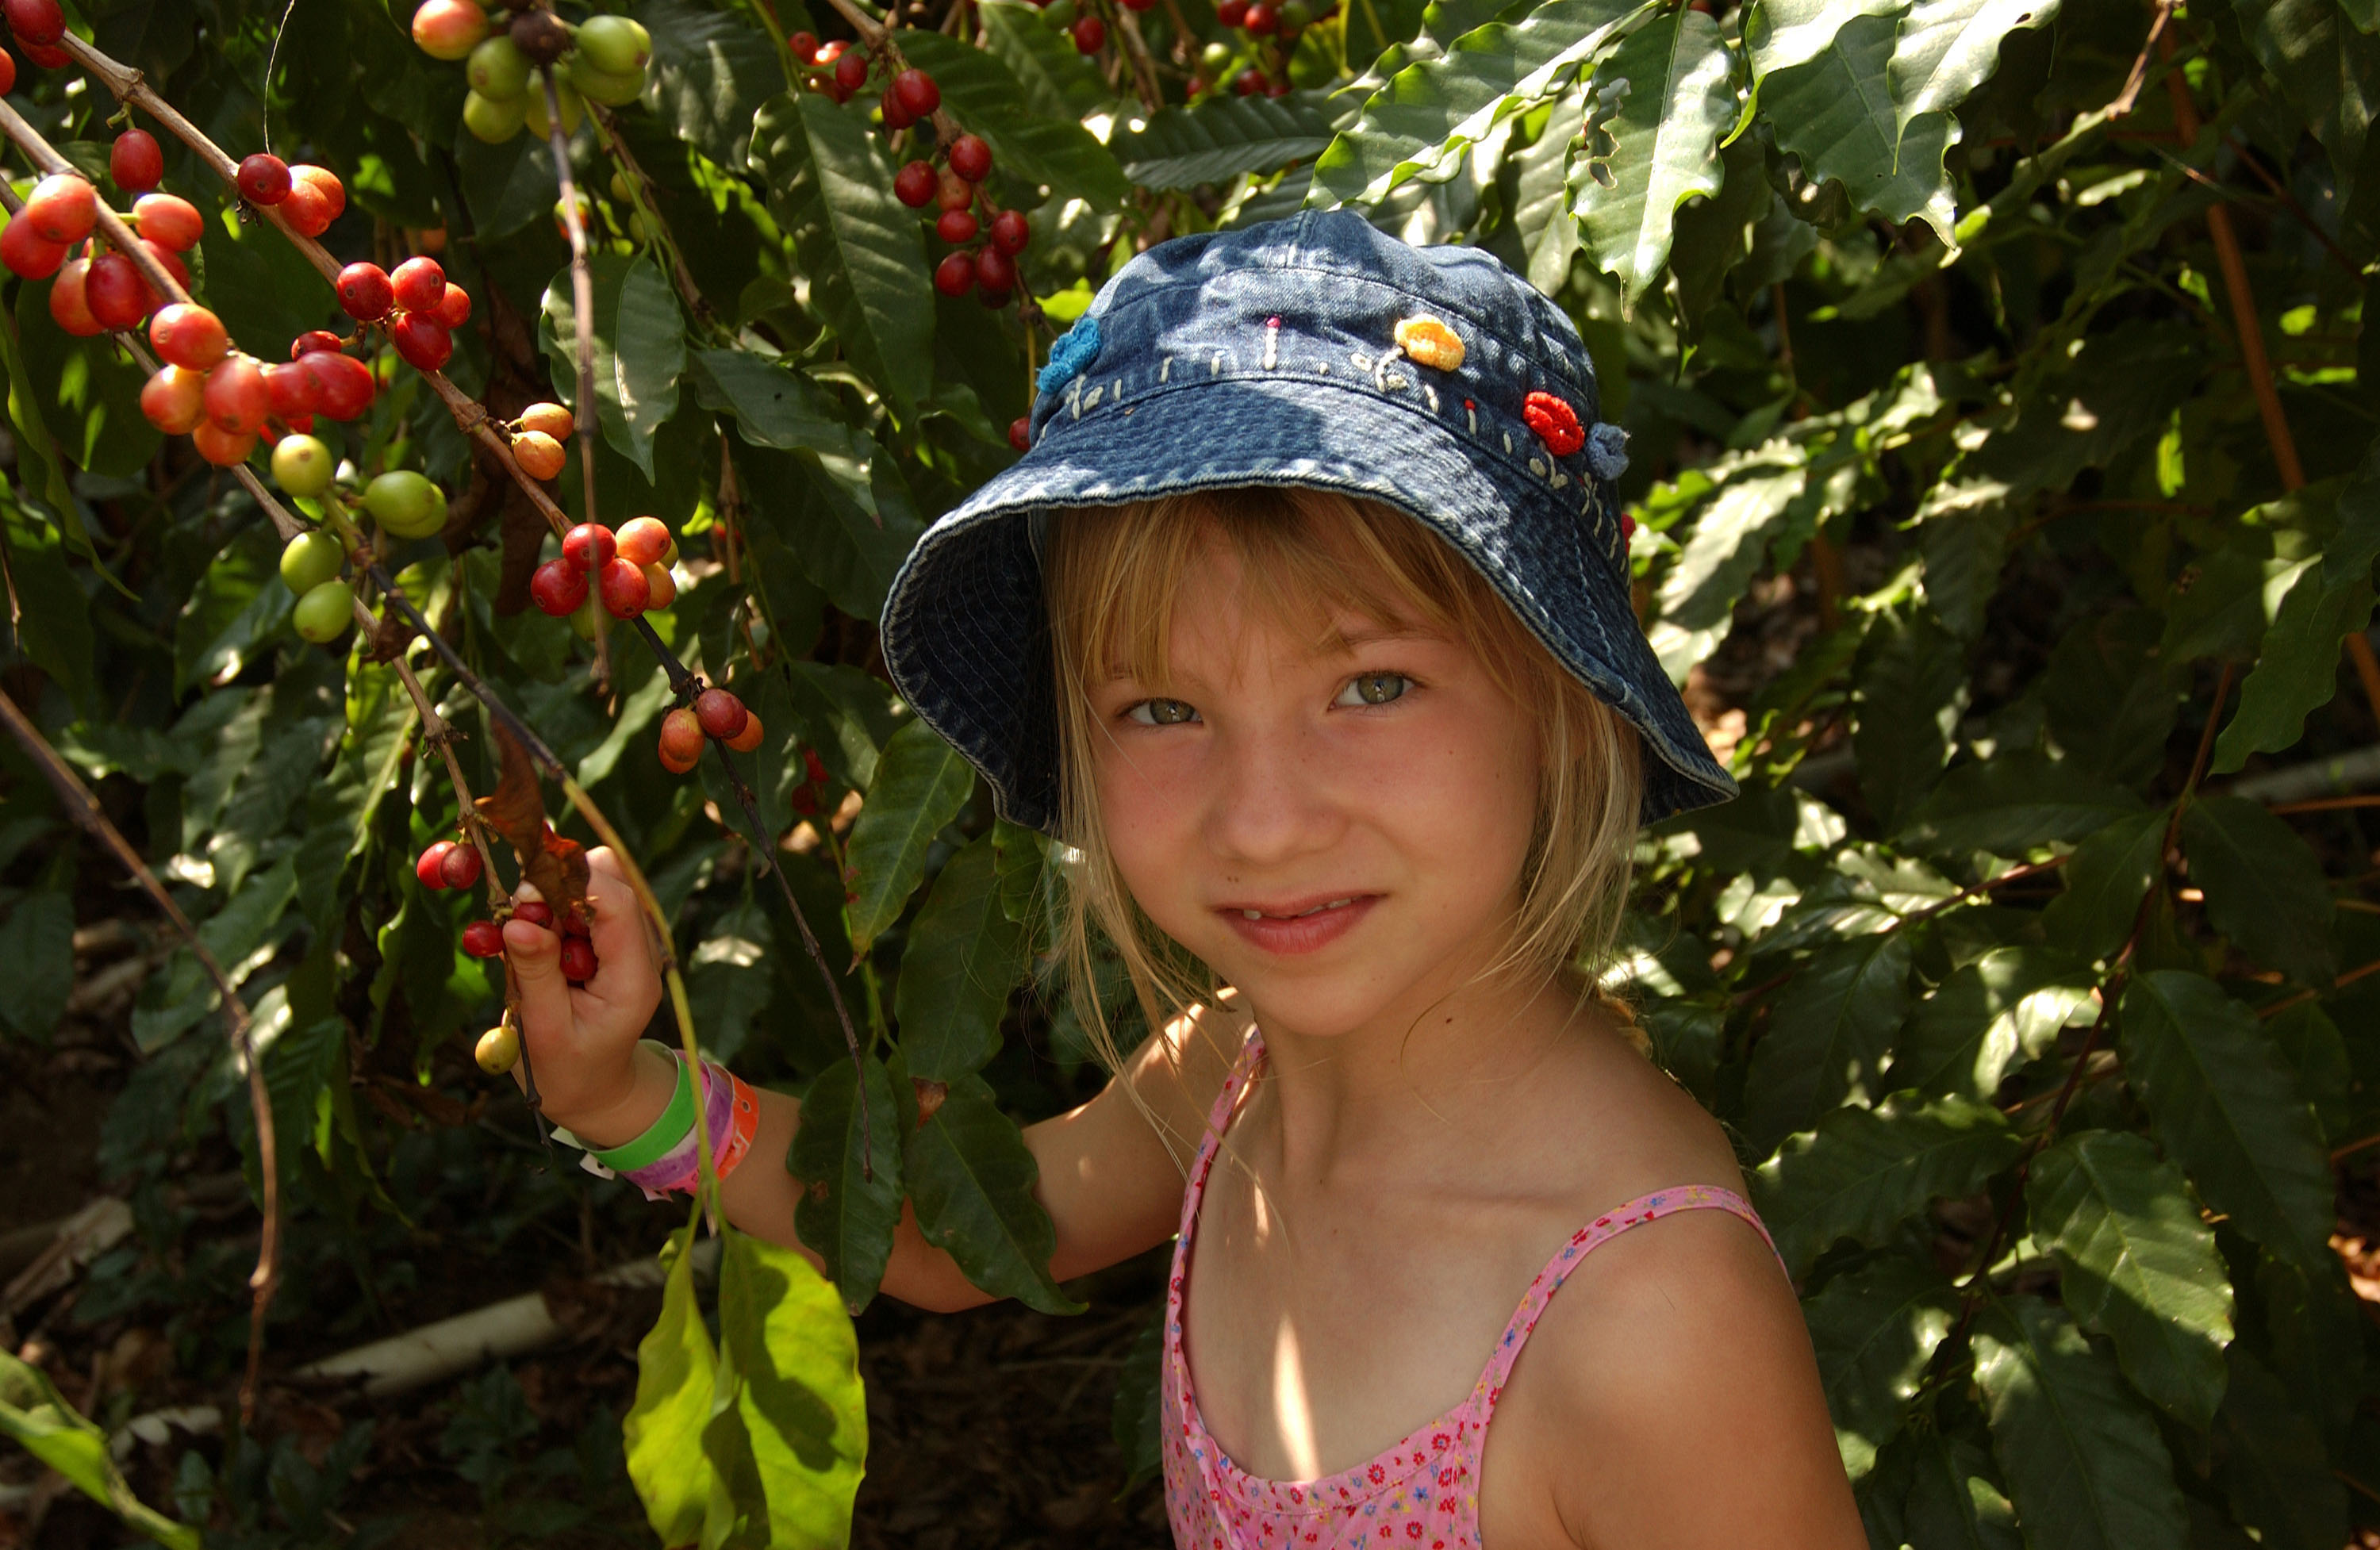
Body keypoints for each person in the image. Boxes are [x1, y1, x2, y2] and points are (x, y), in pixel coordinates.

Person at [503, 210, 1864, 1548]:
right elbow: (957, 1234)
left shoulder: (1646, 1319)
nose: (1262, 826)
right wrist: (633, 1094)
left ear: (1563, 704)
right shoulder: (1245, 1062)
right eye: (1161, 708)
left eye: (1372, 686)